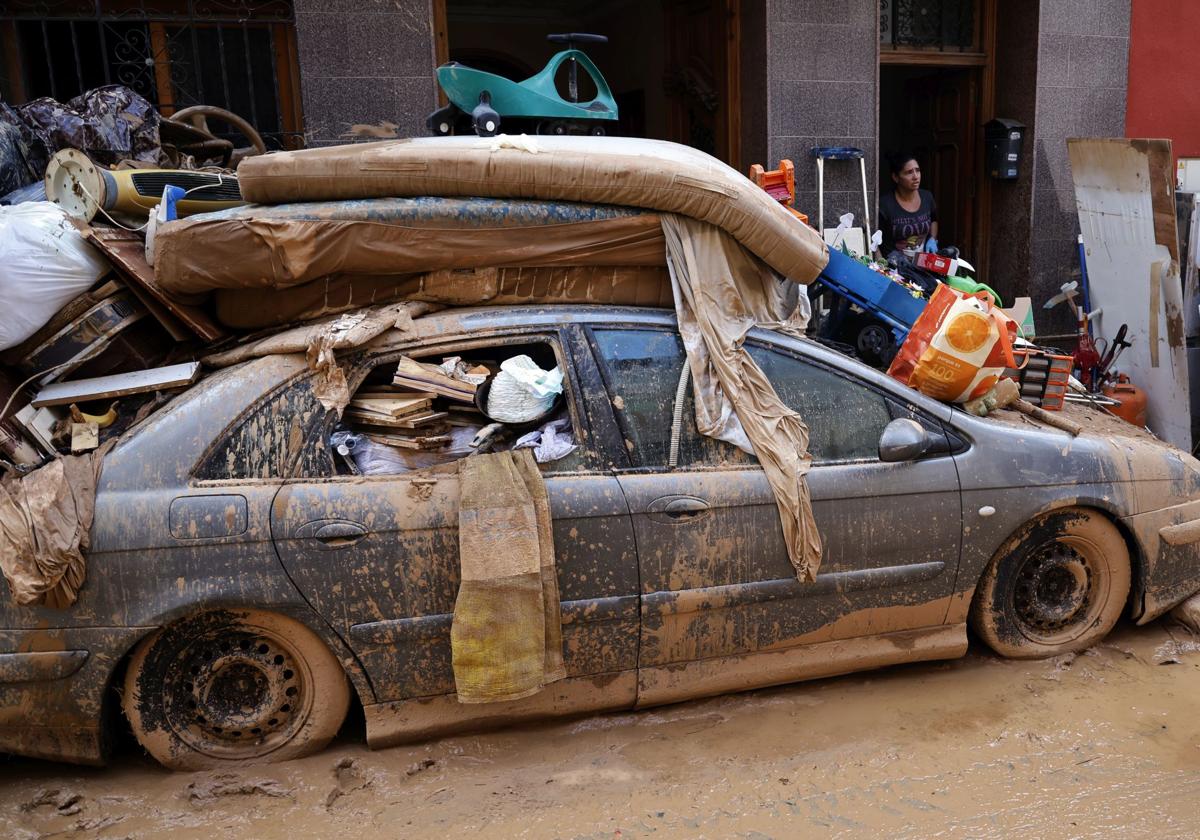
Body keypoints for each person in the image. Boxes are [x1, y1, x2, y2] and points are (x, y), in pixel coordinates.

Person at [877, 152, 938, 259]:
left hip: (924, 261)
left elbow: (933, 220)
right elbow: (876, 241)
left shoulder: (927, 197)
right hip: (895, 266)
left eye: (917, 170)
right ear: (896, 177)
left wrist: (932, 239)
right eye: (909, 172)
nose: (916, 176)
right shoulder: (885, 205)